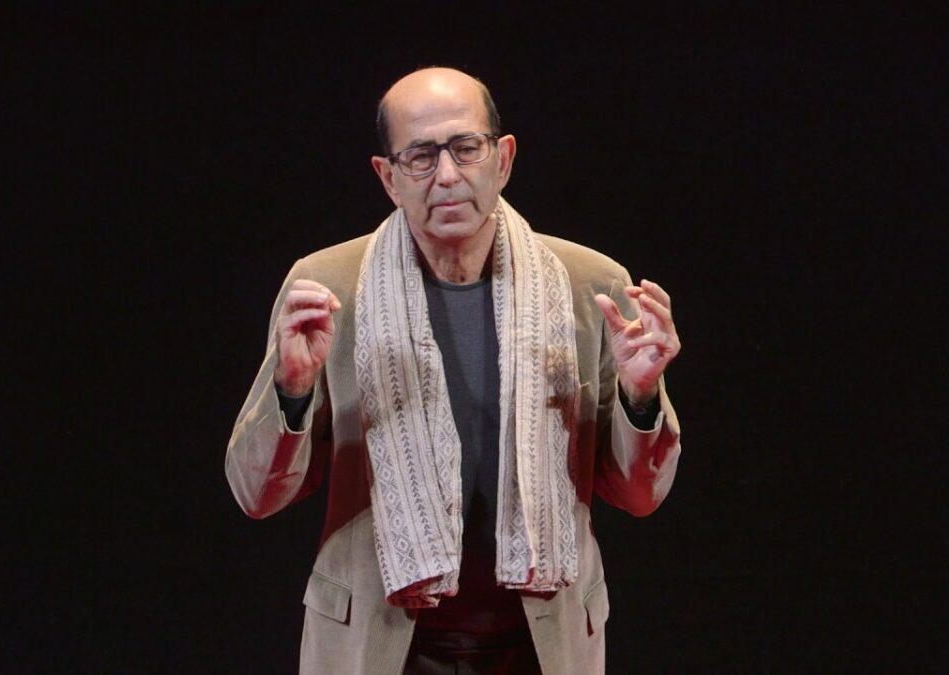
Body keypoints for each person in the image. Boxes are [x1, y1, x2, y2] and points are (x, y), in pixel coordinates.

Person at [226, 67, 682, 675]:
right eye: (419, 156)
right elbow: (257, 494)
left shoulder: (588, 286)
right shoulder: (329, 289)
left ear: (503, 158)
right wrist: (292, 391)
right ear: (387, 177)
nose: (446, 175)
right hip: (379, 644)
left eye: (466, 147)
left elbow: (639, 494)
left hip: (542, 645)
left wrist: (641, 398)